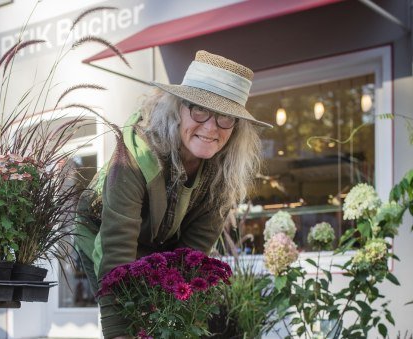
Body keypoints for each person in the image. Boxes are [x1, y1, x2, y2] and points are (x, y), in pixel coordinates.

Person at [74, 50, 271, 338]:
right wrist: (120, 333)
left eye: (225, 118)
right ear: (178, 108)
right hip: (103, 233)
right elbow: (116, 248)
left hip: (161, 245)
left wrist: (179, 320)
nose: (211, 127)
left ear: (236, 127)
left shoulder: (223, 174)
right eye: (199, 110)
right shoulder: (135, 154)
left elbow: (192, 257)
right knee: (130, 325)